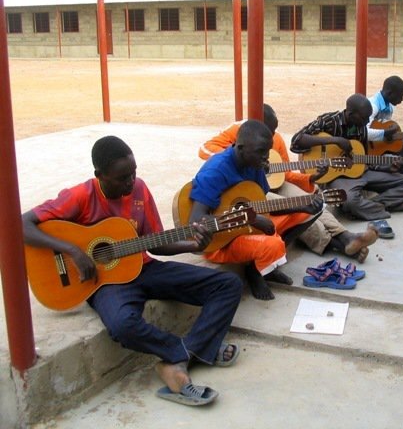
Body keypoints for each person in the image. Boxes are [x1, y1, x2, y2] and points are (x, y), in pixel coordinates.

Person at [22, 135, 243, 406]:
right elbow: (22, 224)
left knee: (228, 284)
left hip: (144, 268)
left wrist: (192, 245)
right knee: (122, 325)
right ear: (100, 175)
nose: (130, 181)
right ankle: (192, 350)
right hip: (104, 282)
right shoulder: (80, 195)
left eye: (133, 173)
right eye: (122, 177)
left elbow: (156, 242)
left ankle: (180, 358)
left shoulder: (139, 189)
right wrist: (73, 251)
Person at [198, 104, 378, 263]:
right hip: (240, 191)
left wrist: (311, 178)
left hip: (265, 187)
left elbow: (286, 172)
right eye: (269, 130)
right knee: (295, 211)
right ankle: (340, 244)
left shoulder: (273, 142)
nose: (273, 135)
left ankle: (346, 236)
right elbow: (205, 149)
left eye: (274, 130)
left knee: (306, 200)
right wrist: (238, 164)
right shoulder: (238, 134)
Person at [189, 119, 323, 301]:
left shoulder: (255, 164)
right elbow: (195, 222)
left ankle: (266, 264)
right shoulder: (216, 170)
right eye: (261, 151)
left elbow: (263, 206)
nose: (266, 157)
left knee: (309, 212)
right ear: (240, 147)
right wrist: (249, 219)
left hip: (246, 228)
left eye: (267, 150)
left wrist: (302, 206)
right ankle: (254, 272)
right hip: (220, 242)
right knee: (273, 244)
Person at [290, 93, 403, 222]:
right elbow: (296, 140)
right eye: (364, 118)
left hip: (360, 172)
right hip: (337, 176)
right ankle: (381, 205)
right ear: (351, 114)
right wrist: (336, 140)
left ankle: (377, 205)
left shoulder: (361, 127)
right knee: (350, 200)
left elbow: (363, 158)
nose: (367, 122)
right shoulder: (329, 121)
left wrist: (387, 166)